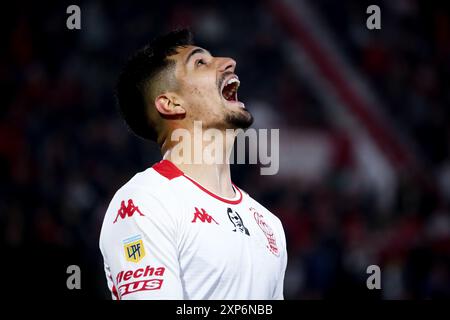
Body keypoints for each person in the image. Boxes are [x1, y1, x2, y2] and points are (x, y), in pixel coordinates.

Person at [99, 29, 287, 300]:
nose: (229, 61)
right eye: (200, 62)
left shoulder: (269, 225)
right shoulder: (144, 202)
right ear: (171, 103)